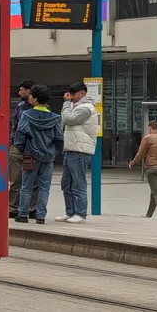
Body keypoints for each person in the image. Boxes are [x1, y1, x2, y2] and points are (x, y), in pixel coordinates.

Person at [14, 84, 63, 224]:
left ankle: (23, 214)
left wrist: (23, 151)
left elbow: (20, 137)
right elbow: (59, 138)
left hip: (30, 156)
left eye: (31, 96)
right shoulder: (55, 118)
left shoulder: (26, 115)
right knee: (44, 187)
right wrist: (54, 151)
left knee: (26, 186)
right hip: (48, 156)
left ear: (35, 98)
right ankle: (40, 216)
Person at [58, 82, 99, 224]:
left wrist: (66, 104)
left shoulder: (86, 108)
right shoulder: (74, 106)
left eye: (73, 94)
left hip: (80, 150)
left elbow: (68, 119)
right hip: (70, 149)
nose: (71, 97)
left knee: (78, 182)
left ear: (82, 93)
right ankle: (70, 212)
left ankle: (80, 213)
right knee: (66, 183)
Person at [129, 121, 157, 219]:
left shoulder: (147, 138)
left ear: (150, 128)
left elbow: (140, 154)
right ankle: (149, 215)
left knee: (156, 193)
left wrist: (132, 163)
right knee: (155, 191)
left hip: (152, 168)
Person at [8, 80, 39, 219]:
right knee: (15, 179)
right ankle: (13, 207)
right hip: (18, 146)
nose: (19, 92)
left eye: (21, 90)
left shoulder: (41, 107)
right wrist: (12, 142)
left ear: (28, 91)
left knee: (33, 180)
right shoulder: (20, 106)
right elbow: (14, 125)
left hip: (32, 148)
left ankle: (32, 208)